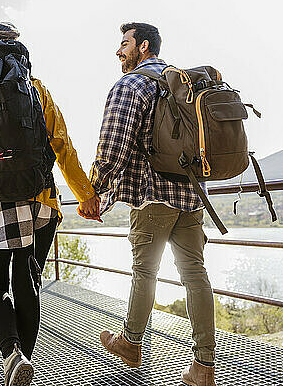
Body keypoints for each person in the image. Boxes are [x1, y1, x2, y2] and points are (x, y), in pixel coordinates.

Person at [0, 22, 100, 386]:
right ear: (18, 49)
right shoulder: (37, 89)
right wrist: (85, 194)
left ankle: (11, 355)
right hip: (39, 200)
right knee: (27, 280)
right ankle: (25, 363)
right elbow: (63, 145)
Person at [87, 22, 217, 386]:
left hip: (153, 196)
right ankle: (203, 367)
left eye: (124, 44)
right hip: (191, 196)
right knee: (195, 274)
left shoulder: (131, 85)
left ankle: (130, 342)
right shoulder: (183, 84)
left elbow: (112, 147)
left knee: (145, 271)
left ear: (143, 46)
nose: (119, 51)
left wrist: (94, 190)